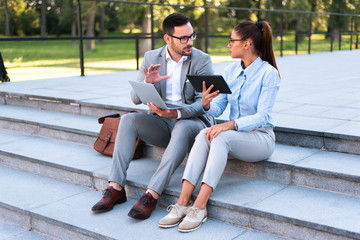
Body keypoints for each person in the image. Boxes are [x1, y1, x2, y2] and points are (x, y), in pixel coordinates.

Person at [158, 20, 280, 232]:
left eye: (232, 40)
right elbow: (218, 108)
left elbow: (263, 116)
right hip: (235, 137)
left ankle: (200, 206)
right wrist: (206, 103)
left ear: (247, 44)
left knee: (220, 135)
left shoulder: (268, 73)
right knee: (205, 132)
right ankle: (182, 201)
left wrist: (230, 125)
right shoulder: (231, 70)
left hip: (261, 138)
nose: (228, 45)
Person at [91, 13, 215, 220]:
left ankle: (151, 194)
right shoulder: (151, 57)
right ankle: (115, 187)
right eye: (183, 38)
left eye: (192, 35)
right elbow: (134, 99)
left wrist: (176, 112)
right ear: (167, 39)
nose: (189, 42)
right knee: (129, 119)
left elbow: (203, 105)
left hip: (192, 124)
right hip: (162, 122)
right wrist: (148, 83)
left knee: (183, 126)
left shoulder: (201, 60)